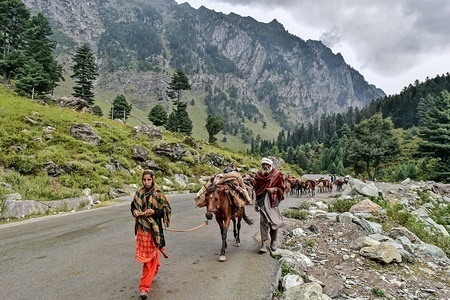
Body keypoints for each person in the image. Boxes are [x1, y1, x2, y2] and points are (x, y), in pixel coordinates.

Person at [131, 169, 171, 299]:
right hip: (142, 230)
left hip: (154, 231)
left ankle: (144, 288)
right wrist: (135, 212)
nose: (146, 182)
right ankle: (148, 281)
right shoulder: (139, 193)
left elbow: (166, 209)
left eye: (149, 179)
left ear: (153, 180)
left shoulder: (158, 194)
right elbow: (133, 206)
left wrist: (153, 212)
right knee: (151, 260)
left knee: (150, 261)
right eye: (144, 180)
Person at [253, 157, 285, 253]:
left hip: (273, 201)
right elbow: (256, 190)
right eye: (263, 165)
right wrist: (256, 202)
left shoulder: (277, 175)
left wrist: (275, 189)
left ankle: (273, 242)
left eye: (267, 165)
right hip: (262, 201)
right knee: (263, 221)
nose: (265, 167)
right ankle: (263, 244)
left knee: (274, 222)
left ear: (270, 166)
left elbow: (281, 187)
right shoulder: (258, 176)